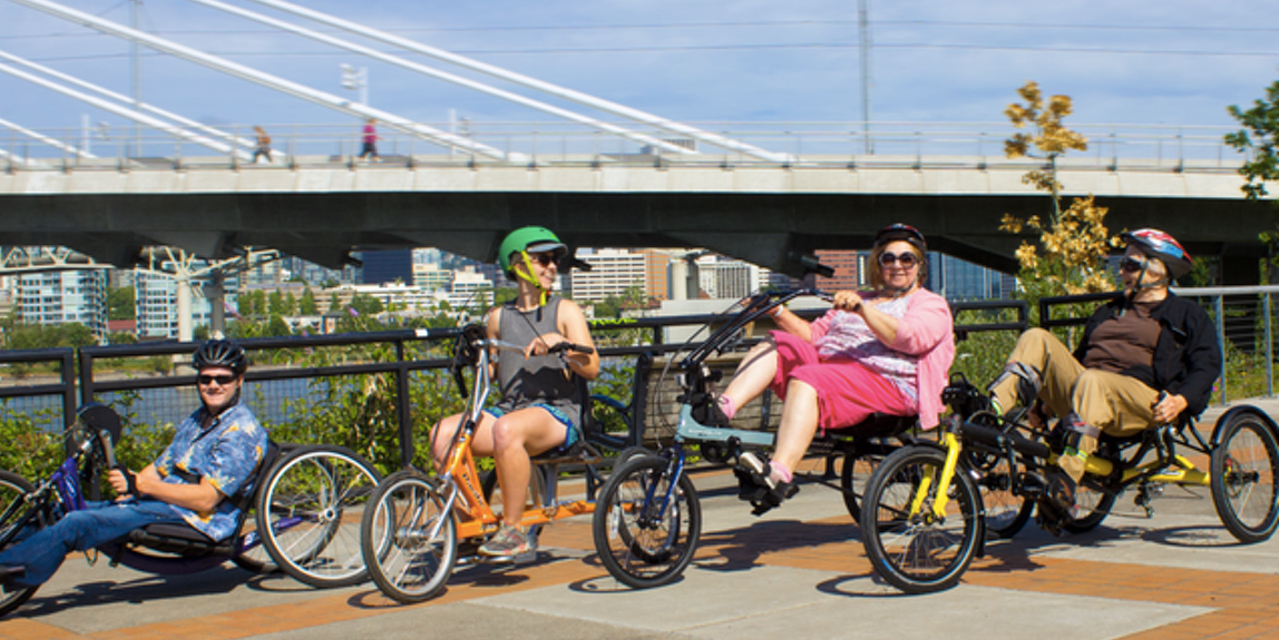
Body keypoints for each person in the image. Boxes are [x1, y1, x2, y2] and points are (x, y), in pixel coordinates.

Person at [695, 224, 955, 513]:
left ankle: (778, 474)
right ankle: (720, 411)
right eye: (888, 258)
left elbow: (911, 338)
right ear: (878, 264)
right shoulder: (860, 297)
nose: (897, 265)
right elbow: (814, 336)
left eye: (907, 259)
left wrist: (863, 311)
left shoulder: (930, 304)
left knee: (809, 378)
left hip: (888, 383)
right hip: (833, 374)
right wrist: (776, 311)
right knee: (779, 343)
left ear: (920, 265)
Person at [986, 228, 1219, 519]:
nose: (1122, 272)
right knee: (1036, 337)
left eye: (1131, 265)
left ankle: (1066, 480)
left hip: (1143, 400)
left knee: (1092, 379)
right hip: (1089, 391)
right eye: (1122, 264)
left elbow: (1208, 365)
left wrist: (1180, 400)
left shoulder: (1187, 314)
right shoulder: (1108, 311)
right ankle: (990, 412)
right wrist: (1043, 406)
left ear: (1158, 271)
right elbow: (1077, 360)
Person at [0, 340, 269, 589]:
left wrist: (141, 485)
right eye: (205, 378)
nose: (213, 385)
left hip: (197, 520)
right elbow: (161, 467)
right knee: (58, 510)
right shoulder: (199, 419)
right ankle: (9, 553)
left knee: (78, 523)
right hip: (164, 504)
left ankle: (9, 568)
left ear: (239, 381)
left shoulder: (240, 433)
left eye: (223, 378)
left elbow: (205, 500)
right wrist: (132, 487)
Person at [430, 226, 599, 558]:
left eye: (554, 261)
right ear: (518, 265)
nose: (553, 267)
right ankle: (468, 524)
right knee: (442, 435)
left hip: (557, 413)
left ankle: (514, 529)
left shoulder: (565, 311)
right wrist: (475, 357)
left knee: (507, 430)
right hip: (511, 409)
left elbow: (592, 367)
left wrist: (560, 343)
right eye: (543, 260)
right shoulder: (498, 317)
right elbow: (494, 373)